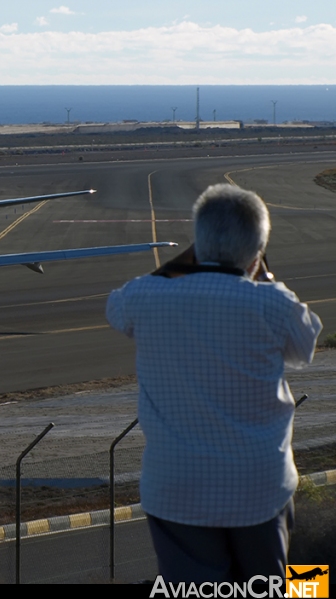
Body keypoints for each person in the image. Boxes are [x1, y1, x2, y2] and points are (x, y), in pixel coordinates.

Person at [106, 183, 321, 583]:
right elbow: (304, 347)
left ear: (196, 243)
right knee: (267, 587)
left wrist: (191, 258)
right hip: (260, 486)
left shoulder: (144, 296)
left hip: (176, 488)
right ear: (256, 254)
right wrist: (265, 276)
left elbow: (115, 309)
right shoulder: (274, 304)